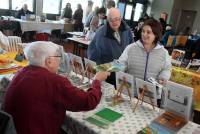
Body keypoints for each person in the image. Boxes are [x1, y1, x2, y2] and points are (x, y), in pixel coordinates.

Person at [3, 41, 110, 134]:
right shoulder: (55, 81)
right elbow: (89, 101)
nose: (60, 61)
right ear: (48, 61)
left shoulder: (20, 72)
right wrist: (97, 80)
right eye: (58, 57)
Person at [118, 18, 171, 106]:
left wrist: (164, 76)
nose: (144, 34)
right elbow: (121, 63)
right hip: (131, 93)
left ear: (156, 34)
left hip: (151, 96)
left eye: (148, 32)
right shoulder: (131, 48)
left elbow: (167, 68)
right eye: (143, 31)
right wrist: (111, 67)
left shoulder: (163, 52)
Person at [87, 8, 133, 86]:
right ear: (107, 20)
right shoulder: (101, 33)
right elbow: (92, 55)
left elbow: (131, 48)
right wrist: (97, 71)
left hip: (123, 72)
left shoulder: (126, 30)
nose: (114, 22)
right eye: (111, 20)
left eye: (117, 19)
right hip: (108, 74)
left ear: (120, 18)